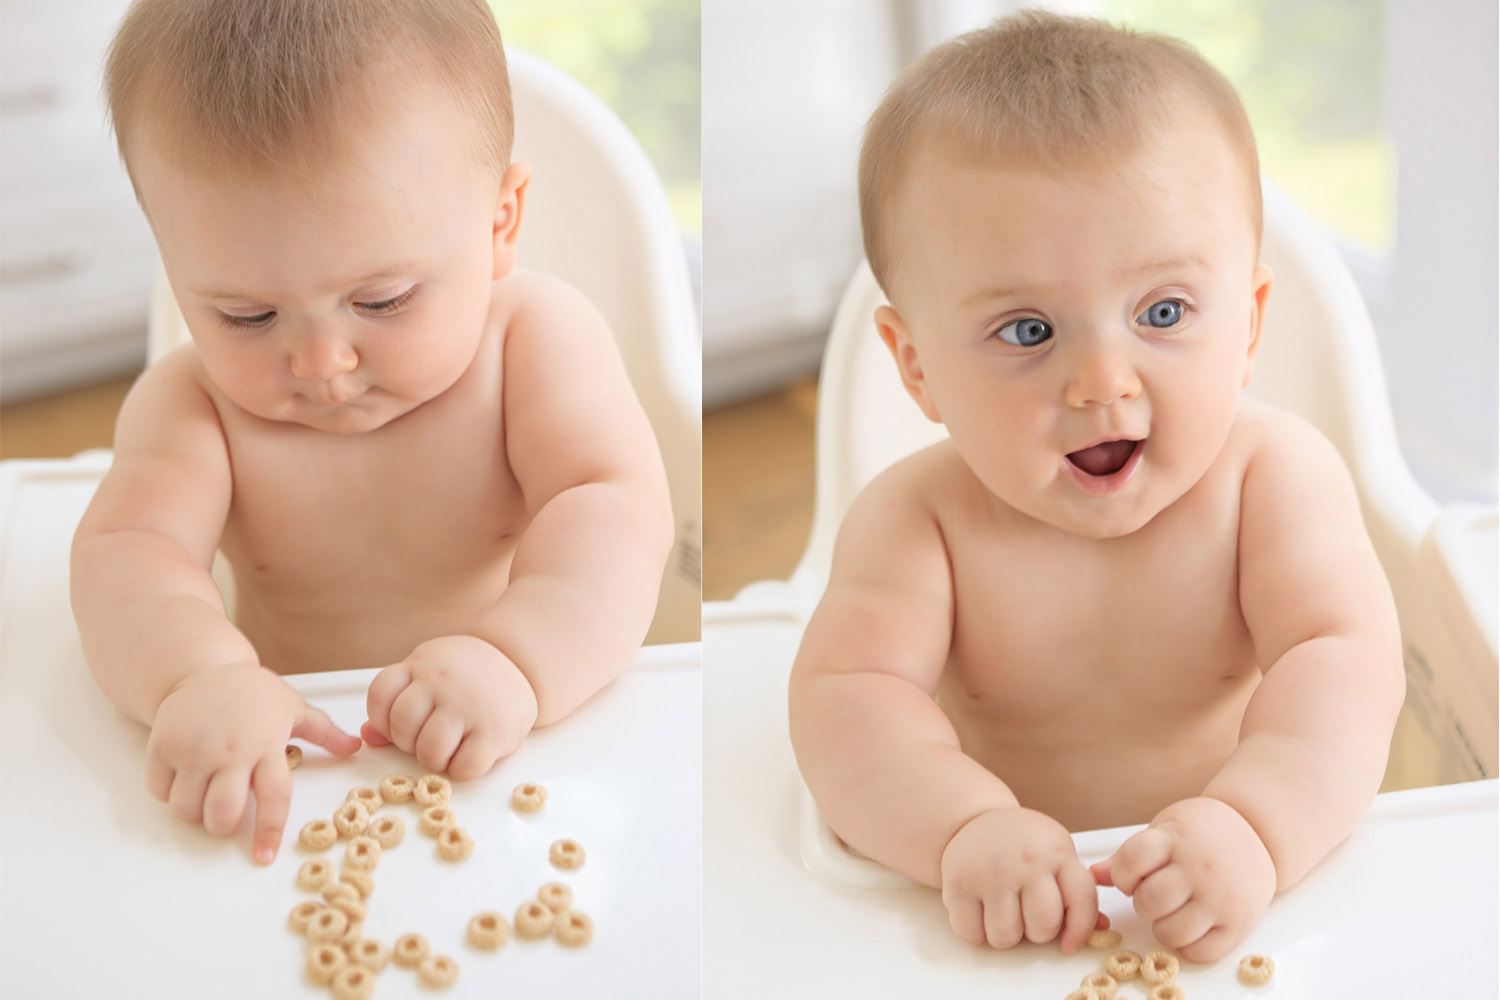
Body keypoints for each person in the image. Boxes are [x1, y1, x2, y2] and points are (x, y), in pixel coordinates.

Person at [788, 10, 1403, 963]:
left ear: (1246, 325)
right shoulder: (920, 524)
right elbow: (847, 699)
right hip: (1000, 921)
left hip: (1242, 899)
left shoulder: (1274, 483)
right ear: (917, 369)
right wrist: (959, 828)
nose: (1102, 382)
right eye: (1028, 331)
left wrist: (1257, 825)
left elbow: (1346, 662)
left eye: (1162, 312)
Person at [71, 0, 673, 866]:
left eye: (382, 300)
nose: (320, 361)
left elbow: (614, 507)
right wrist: (196, 676)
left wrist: (520, 660)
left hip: (520, 752)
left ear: (500, 222)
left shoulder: (533, 344)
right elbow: (128, 553)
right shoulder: (193, 407)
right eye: (247, 314)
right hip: (297, 770)